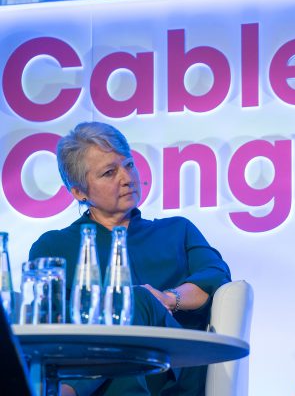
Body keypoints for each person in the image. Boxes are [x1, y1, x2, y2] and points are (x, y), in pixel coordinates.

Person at [29, 121, 231, 396]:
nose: (126, 178)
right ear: (79, 191)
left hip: (172, 371)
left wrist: (167, 298)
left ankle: (67, 391)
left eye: (129, 165)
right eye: (109, 173)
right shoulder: (54, 246)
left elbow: (215, 277)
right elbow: (52, 326)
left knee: (136, 300)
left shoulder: (176, 231)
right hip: (91, 375)